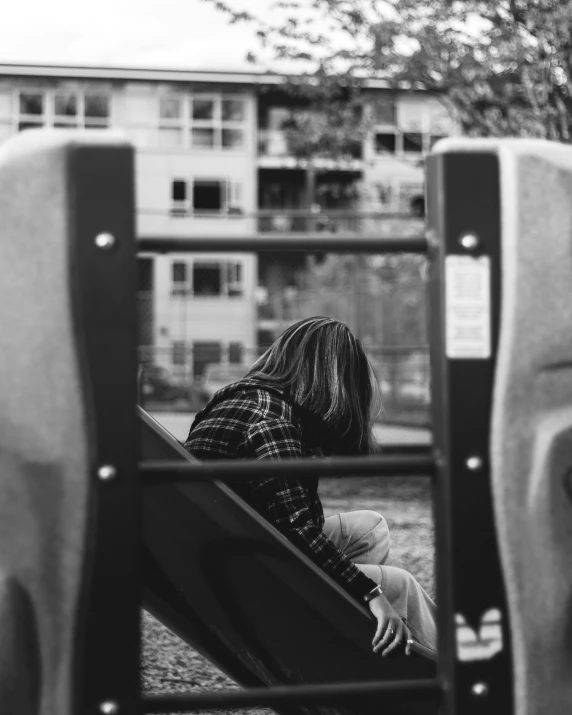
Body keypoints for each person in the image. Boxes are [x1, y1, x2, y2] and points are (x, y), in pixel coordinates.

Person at [184, 316, 437, 657]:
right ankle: (461, 679)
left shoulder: (243, 400)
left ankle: (345, 633)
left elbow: (282, 515)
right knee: (401, 587)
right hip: (254, 573)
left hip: (237, 547)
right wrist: (370, 593)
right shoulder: (271, 421)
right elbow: (296, 530)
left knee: (370, 528)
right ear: (330, 380)